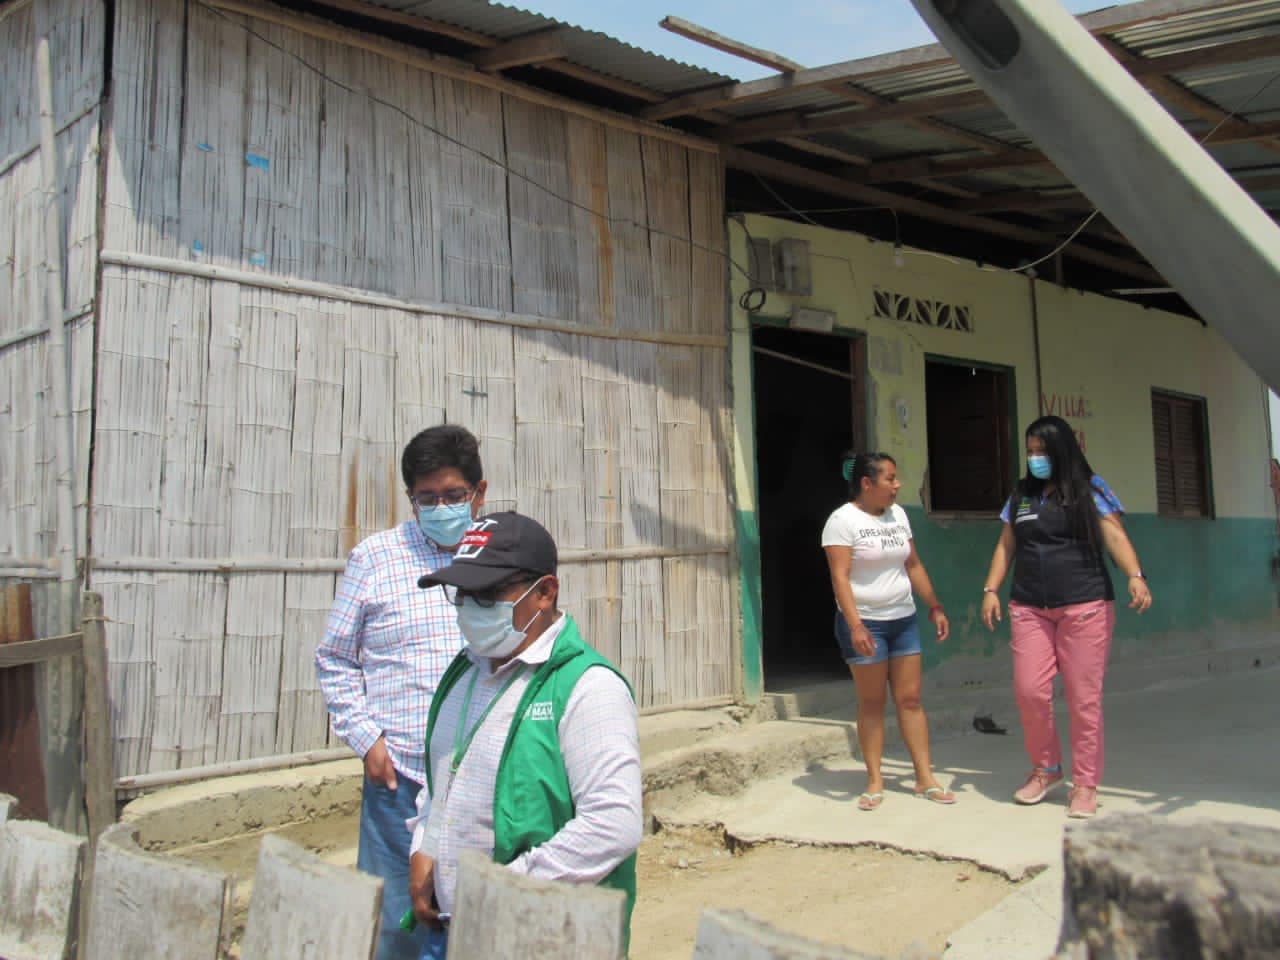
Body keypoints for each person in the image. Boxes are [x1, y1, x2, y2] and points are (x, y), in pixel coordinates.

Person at [408, 512, 643, 960]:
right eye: (462, 594)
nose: (469, 607)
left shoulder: (588, 688)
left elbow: (613, 823)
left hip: (544, 937)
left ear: (544, 592)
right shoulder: (464, 673)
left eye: (487, 594)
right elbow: (443, 781)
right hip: (452, 930)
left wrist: (503, 891)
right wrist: (425, 844)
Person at [316, 424, 487, 960]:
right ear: (410, 498)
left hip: (482, 777)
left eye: (454, 495)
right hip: (401, 776)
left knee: (475, 917)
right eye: (427, 498)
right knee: (396, 923)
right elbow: (335, 658)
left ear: (479, 492)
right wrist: (367, 739)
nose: (441, 507)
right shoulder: (376, 558)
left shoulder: (499, 557)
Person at [980, 415, 1153, 819]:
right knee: (1029, 690)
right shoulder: (1021, 495)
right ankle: (1046, 769)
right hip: (1029, 606)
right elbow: (1006, 545)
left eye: (1042, 451)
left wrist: (1135, 575)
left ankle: (1086, 784)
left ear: (1062, 450)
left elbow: (1114, 535)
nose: (1035, 458)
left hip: (1085, 605)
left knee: (1082, 699)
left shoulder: (1090, 489)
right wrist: (990, 589)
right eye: (1030, 451)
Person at [821, 452, 956, 812]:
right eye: (890, 479)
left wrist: (935, 606)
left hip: (903, 619)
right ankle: (874, 780)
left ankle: (925, 777)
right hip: (866, 624)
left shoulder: (899, 515)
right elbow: (840, 577)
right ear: (867, 483)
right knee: (873, 702)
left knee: (910, 699)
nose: (897, 485)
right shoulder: (841, 521)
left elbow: (913, 564)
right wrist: (856, 625)